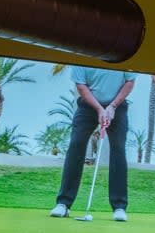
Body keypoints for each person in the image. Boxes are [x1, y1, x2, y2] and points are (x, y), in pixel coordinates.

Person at [53, 68, 136, 222]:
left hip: (117, 106)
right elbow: (81, 86)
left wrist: (112, 107)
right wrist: (99, 109)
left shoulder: (123, 54)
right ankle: (63, 204)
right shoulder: (83, 56)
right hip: (88, 106)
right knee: (76, 144)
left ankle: (119, 207)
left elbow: (130, 82)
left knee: (118, 149)